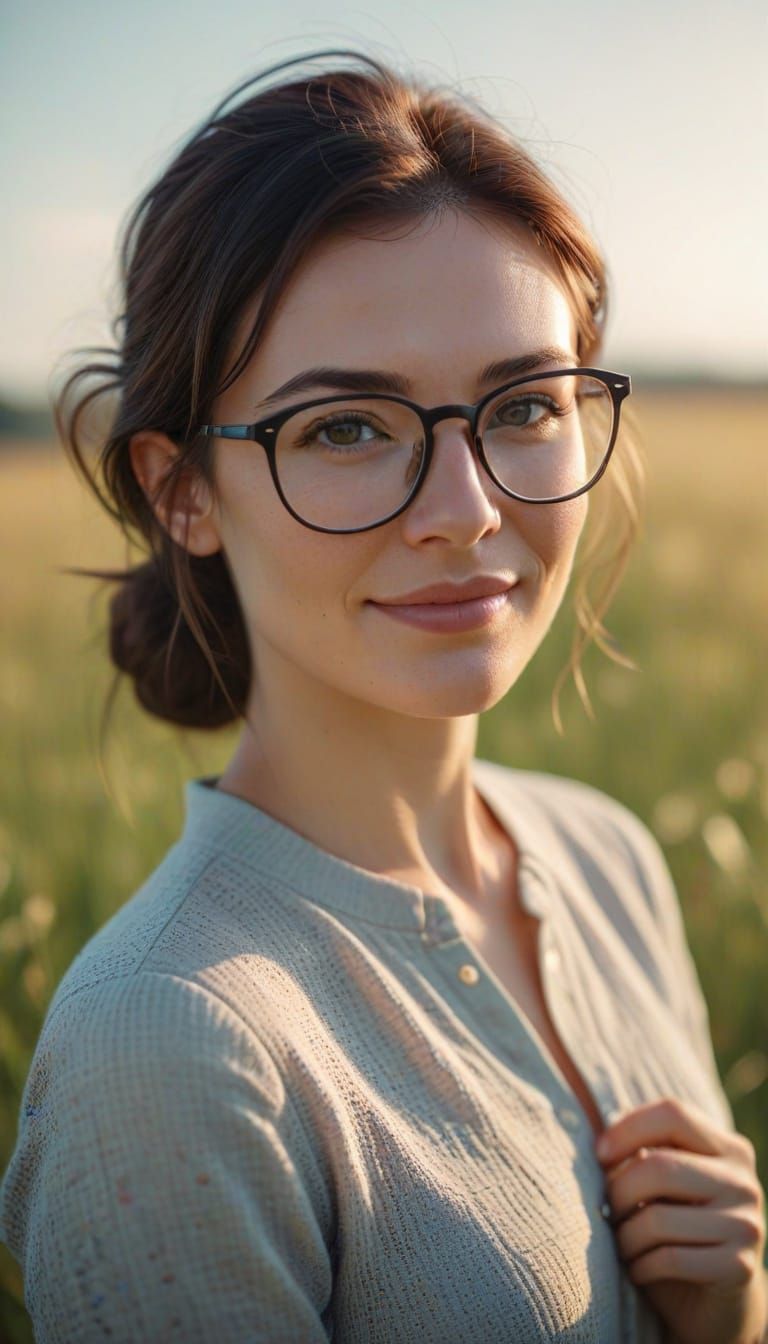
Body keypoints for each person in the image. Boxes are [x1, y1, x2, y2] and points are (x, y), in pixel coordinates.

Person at [1, 48, 765, 1344]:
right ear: (181, 488)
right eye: (348, 428)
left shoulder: (607, 857)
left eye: (524, 404)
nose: (468, 514)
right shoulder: (172, 1049)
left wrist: (733, 1319)